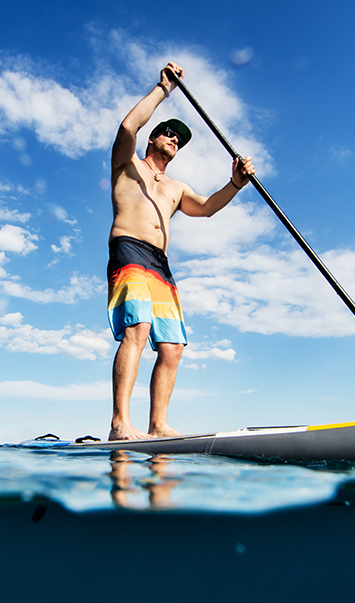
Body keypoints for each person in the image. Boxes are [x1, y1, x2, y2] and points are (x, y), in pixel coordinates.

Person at [106, 62, 255, 441]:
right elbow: (127, 127)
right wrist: (164, 89)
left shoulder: (175, 187)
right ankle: (120, 422)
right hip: (130, 251)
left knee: (172, 347)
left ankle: (158, 425)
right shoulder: (126, 165)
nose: (174, 139)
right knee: (137, 330)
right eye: (168, 134)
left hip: (161, 265)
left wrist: (235, 184)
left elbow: (205, 208)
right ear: (153, 138)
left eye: (179, 139)